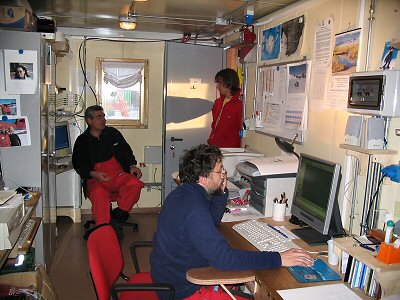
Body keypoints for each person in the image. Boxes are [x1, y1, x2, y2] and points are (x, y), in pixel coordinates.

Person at [150, 144, 314, 300]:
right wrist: (279, 259)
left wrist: (221, 193)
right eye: (220, 170)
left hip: (170, 275)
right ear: (203, 178)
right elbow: (224, 259)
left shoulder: (184, 194)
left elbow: (212, 221)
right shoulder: (194, 210)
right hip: (184, 290)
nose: (223, 174)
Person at [72, 105, 144, 237]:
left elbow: (126, 152)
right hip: (96, 179)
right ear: (89, 121)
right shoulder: (82, 141)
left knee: (135, 183)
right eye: (99, 117)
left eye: (104, 116)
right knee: (99, 194)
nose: (103, 120)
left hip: (117, 175)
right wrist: (93, 174)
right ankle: (103, 228)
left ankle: (118, 216)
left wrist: (131, 166)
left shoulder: (113, 133)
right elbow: (78, 164)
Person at [207, 68, 243, 148]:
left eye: (219, 83)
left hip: (230, 150)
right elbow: (215, 126)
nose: (217, 87)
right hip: (214, 146)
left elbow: (241, 131)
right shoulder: (218, 102)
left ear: (228, 84)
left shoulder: (240, 105)